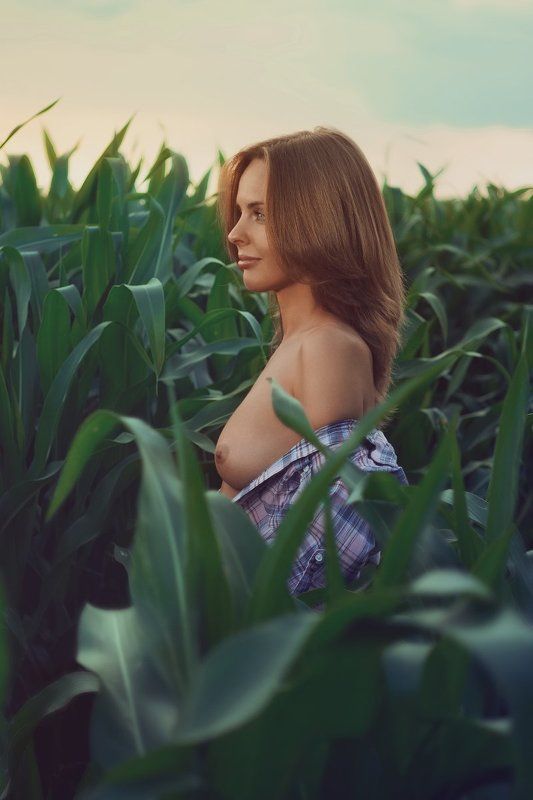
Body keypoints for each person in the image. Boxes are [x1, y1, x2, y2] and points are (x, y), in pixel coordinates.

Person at [214, 126, 408, 600]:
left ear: (317, 221)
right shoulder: (301, 341)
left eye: (259, 214)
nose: (235, 233)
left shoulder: (326, 350)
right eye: (239, 212)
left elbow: (328, 550)